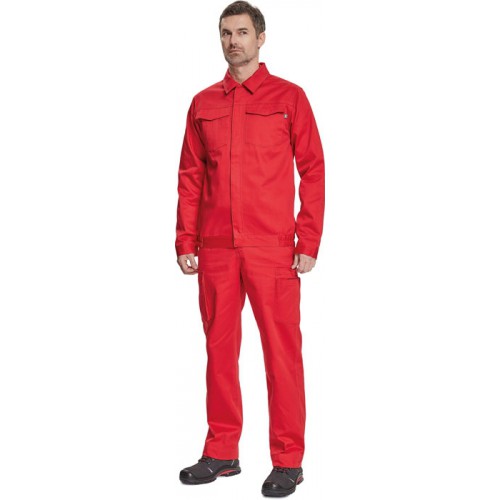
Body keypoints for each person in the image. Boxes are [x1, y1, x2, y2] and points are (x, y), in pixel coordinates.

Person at [175, 1, 325, 496]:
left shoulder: (289, 97)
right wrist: (185, 238)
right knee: (219, 354)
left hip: (273, 248)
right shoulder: (203, 104)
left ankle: (288, 460)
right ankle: (222, 451)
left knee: (282, 356)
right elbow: (191, 176)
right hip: (216, 248)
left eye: (241, 32)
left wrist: (308, 238)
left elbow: (313, 168)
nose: (232, 41)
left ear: (261, 38)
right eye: (225, 33)